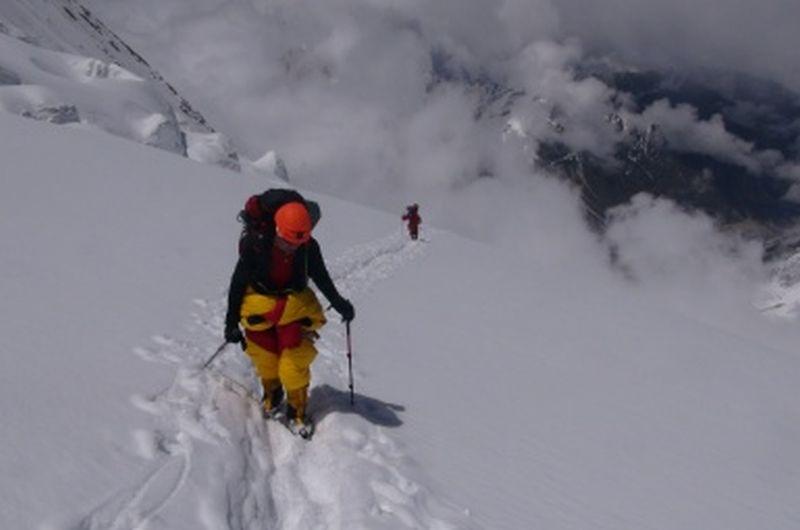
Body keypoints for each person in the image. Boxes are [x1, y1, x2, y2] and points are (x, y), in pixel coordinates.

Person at [224, 189, 354, 437]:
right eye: (286, 242)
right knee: (265, 355)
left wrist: (339, 303)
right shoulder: (256, 243)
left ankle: (297, 410)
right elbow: (238, 282)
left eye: (297, 243)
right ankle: (272, 392)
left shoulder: (307, 247)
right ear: (277, 230)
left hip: (293, 306)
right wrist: (231, 322)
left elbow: (321, 277)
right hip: (260, 304)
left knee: (293, 362)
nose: (292, 248)